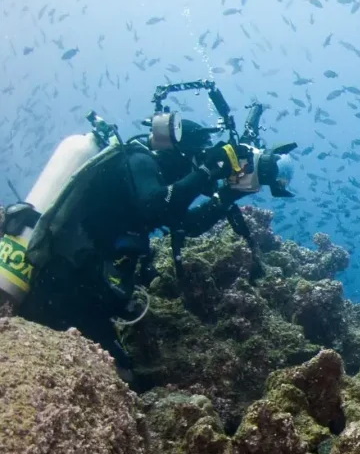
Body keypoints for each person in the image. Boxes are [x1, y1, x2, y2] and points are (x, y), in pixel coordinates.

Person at [4, 118, 286, 371]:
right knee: (111, 374)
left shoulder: (155, 177)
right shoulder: (139, 160)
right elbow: (156, 206)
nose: (195, 168)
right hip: (65, 280)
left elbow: (187, 224)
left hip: (83, 283)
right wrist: (205, 170)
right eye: (195, 157)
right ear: (180, 151)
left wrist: (228, 195)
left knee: (117, 370)